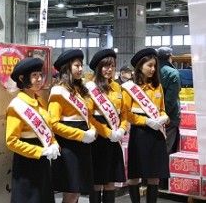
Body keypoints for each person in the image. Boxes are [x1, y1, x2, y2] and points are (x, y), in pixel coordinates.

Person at [6, 57, 60, 203]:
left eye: (40, 74)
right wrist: (40, 151)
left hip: (43, 160)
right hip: (26, 161)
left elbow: (48, 128)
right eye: (34, 75)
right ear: (22, 78)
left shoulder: (41, 101)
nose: (39, 79)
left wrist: (54, 144)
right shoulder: (16, 106)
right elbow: (11, 141)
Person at [121, 48, 170, 203]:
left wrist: (164, 117)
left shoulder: (157, 86)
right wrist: (146, 121)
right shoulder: (130, 88)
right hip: (140, 134)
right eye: (149, 65)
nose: (153, 69)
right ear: (140, 66)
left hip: (157, 135)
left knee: (154, 176)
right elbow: (126, 113)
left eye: (154, 66)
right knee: (135, 175)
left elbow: (162, 109)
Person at [48, 49, 96, 203]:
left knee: (77, 191)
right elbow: (54, 124)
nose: (81, 69)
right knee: (71, 192)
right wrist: (81, 135)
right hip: (69, 146)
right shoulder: (58, 92)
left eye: (81, 65)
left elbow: (87, 115)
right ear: (66, 68)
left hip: (83, 145)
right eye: (77, 66)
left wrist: (92, 129)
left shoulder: (80, 90)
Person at [86, 49, 127, 203]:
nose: (110, 69)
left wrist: (122, 128)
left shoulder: (117, 87)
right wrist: (107, 132)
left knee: (111, 182)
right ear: (98, 67)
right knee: (97, 182)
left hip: (114, 139)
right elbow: (88, 116)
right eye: (106, 66)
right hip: (98, 139)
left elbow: (124, 112)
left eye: (113, 66)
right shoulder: (89, 88)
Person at [157, 47, 181, 190]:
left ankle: (152, 178)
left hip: (152, 118)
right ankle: (163, 182)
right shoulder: (173, 73)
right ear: (169, 57)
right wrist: (164, 116)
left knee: (156, 147)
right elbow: (171, 100)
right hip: (169, 118)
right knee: (167, 149)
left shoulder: (151, 71)